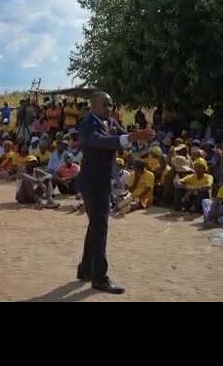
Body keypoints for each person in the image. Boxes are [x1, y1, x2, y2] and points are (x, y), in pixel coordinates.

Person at [76, 91, 155, 294]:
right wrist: (132, 137)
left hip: (103, 181)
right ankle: (99, 277)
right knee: (99, 226)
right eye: (105, 105)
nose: (109, 109)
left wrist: (140, 139)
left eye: (110, 105)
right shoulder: (88, 124)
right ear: (94, 105)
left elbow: (122, 139)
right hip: (92, 182)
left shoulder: (109, 122)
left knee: (96, 224)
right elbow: (101, 142)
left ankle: (86, 270)